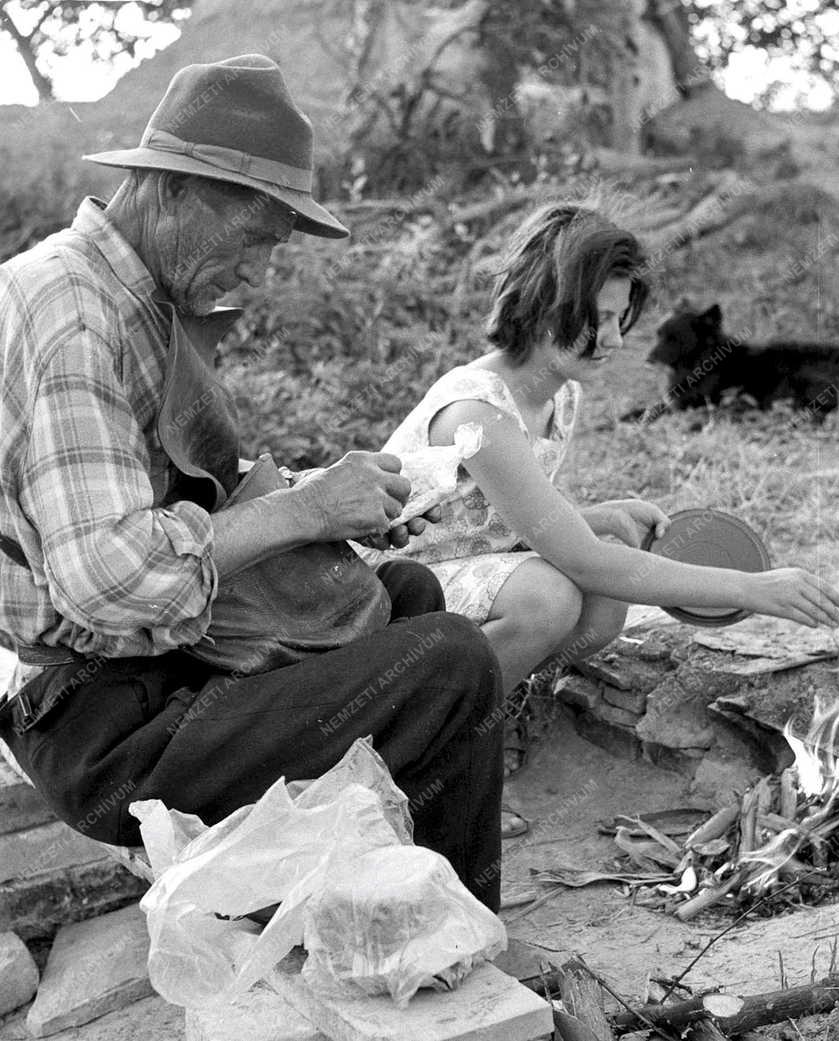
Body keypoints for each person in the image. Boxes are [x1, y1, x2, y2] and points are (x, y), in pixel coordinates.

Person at [0, 55, 504, 911]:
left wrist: (340, 502)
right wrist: (301, 508)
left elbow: (206, 496)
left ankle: (393, 911)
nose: (260, 272)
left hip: (162, 666)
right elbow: (107, 577)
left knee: (409, 593)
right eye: (256, 238)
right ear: (171, 191)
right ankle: (445, 937)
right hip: (102, 724)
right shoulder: (71, 311)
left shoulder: (142, 299)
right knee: (451, 661)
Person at [378, 203, 839, 700]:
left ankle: (495, 694)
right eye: (597, 319)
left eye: (620, 319)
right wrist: (749, 588)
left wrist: (590, 517)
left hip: (455, 564)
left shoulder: (559, 391)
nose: (615, 340)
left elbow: (486, 513)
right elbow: (585, 563)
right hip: (387, 593)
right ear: (542, 305)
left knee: (604, 602)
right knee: (548, 598)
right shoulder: (478, 411)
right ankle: (433, 725)